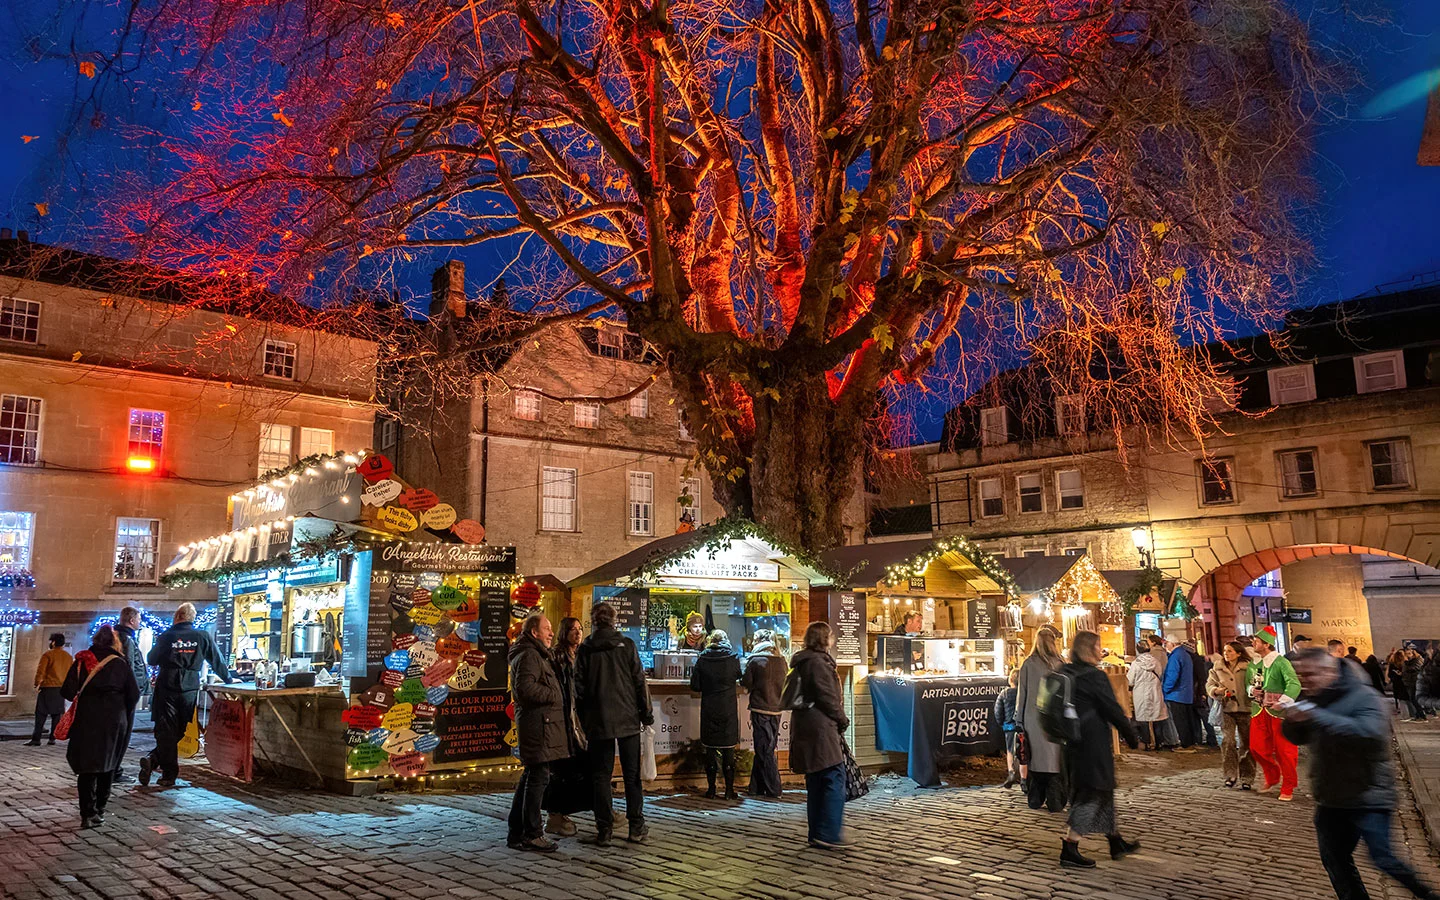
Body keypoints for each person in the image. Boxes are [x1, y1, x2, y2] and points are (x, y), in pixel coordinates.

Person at [1283, 648, 1438, 900]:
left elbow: (1369, 733)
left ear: (1329, 670)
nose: (1305, 681)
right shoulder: (1313, 697)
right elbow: (1296, 737)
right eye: (1301, 676)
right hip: (1330, 796)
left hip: (1368, 794)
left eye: (1310, 675)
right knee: (1335, 860)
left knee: (1383, 857)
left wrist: (1316, 716)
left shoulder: (1364, 695)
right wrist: (1293, 720)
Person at [1058, 630, 1141, 869]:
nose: (1101, 650)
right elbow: (1111, 709)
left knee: (1103, 791)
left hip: (1072, 743)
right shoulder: (1093, 676)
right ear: (1089, 649)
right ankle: (1070, 847)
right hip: (1091, 744)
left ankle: (1115, 841)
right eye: (1098, 646)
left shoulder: (1065, 672)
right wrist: (1131, 735)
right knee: (1091, 793)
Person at [575, 601, 653, 846]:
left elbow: (578, 688)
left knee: (600, 775)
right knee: (631, 776)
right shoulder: (627, 646)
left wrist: (584, 718)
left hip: (598, 720)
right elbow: (639, 682)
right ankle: (636, 826)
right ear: (614, 620)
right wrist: (646, 713)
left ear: (593, 620)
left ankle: (604, 829)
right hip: (628, 717)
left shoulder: (586, 648)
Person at [139, 603, 230, 788]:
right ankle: (158, 764)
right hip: (189, 687)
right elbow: (216, 659)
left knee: (166, 730)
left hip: (167, 686)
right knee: (180, 729)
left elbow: (151, 659)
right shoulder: (202, 636)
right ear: (192, 618)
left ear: (177, 616)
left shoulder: (166, 636)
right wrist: (228, 678)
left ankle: (162, 768)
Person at [61, 625, 140, 828]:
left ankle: (86, 813)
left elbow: (68, 691)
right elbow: (134, 694)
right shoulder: (120, 663)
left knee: (87, 768)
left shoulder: (82, 660)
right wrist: (122, 709)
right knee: (108, 765)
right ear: (115, 642)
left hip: (87, 717)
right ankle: (100, 810)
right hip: (114, 719)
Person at [784, 621, 851, 849]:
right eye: (831, 635)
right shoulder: (818, 663)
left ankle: (817, 832)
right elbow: (827, 697)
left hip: (807, 725)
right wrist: (842, 719)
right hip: (820, 727)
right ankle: (829, 833)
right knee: (834, 776)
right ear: (824, 639)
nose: (833, 639)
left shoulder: (804, 661)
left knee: (816, 780)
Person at [506, 613, 566, 853]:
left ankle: (517, 832)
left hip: (540, 725)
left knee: (531, 778)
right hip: (538, 726)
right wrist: (555, 695)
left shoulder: (535, 653)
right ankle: (532, 833)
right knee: (537, 779)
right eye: (547, 628)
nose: (551, 633)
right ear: (534, 633)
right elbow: (525, 689)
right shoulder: (530, 654)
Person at [543, 616, 588, 839]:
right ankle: (556, 815)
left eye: (579, 629)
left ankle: (566, 812)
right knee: (560, 768)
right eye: (572, 629)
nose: (577, 633)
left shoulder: (581, 655)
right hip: (563, 718)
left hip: (577, 718)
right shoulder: (557, 655)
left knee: (577, 766)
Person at [1249, 625, 1301, 801]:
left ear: (1266, 644)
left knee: (1284, 751)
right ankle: (1272, 776)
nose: (1253, 643)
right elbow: (1249, 683)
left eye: (1256, 641)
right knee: (1257, 748)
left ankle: (1288, 785)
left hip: (1277, 712)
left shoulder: (1281, 662)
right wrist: (1251, 689)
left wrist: (1283, 701)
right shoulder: (1255, 663)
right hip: (1259, 710)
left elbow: (1294, 683)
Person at [1015, 625, 1065, 811]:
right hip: (1055, 719)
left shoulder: (1028, 664)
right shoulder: (1061, 664)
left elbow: (1023, 694)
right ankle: (1055, 800)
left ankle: (1035, 798)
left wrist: (1019, 720)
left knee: (1035, 759)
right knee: (1054, 760)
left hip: (1033, 718)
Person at [690, 629, 742, 800]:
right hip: (728, 708)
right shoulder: (733, 657)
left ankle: (711, 790)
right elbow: (740, 677)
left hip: (709, 708)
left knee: (710, 749)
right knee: (728, 750)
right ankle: (728, 790)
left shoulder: (703, 658)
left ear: (711, 640)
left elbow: (695, 685)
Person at [742, 629, 786, 798]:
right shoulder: (781, 660)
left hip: (760, 707)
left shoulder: (754, 660)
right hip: (777, 708)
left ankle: (775, 788)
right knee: (767, 746)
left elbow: (747, 683)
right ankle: (755, 787)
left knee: (764, 749)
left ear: (758, 641)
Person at [1207, 640, 1255, 789]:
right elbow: (1210, 683)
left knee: (1247, 744)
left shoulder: (1249, 667)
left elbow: (1256, 683)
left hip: (1245, 708)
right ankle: (1230, 775)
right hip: (1226, 708)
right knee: (1228, 741)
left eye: (1230, 651)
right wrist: (1216, 690)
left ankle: (1247, 777)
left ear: (1239, 653)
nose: (1226, 654)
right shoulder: (1218, 666)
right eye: (1225, 651)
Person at [113, 608, 147, 784]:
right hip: (125, 696)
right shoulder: (125, 639)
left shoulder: (119, 636)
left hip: (120, 695)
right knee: (122, 735)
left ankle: (112, 769)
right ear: (132, 620)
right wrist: (133, 693)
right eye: (139, 619)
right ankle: (114, 771)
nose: (140, 622)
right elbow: (129, 668)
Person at [27, 633, 72, 746]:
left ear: (53, 642)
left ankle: (36, 738)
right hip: (61, 688)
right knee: (56, 714)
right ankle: (52, 737)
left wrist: (36, 683)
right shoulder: (68, 656)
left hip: (48, 687)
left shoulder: (48, 655)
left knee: (41, 713)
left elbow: (41, 670)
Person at [1126, 642, 1169, 751]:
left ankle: (1146, 743)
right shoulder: (1156, 662)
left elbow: (1130, 680)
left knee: (1143, 719)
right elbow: (1160, 674)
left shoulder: (1136, 663)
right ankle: (1159, 742)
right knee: (1157, 718)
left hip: (1141, 693)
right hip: (1155, 692)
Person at [1162, 637, 1196, 749]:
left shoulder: (1175, 656)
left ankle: (1185, 744)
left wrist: (1165, 689)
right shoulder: (1185, 654)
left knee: (1180, 720)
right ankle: (1190, 742)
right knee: (1187, 719)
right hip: (1186, 693)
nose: (1166, 646)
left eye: (1167, 643)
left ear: (1172, 644)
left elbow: (1172, 675)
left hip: (1176, 694)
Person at [993, 669, 1021, 788]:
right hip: (1022, 726)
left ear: (1010, 680)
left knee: (1010, 750)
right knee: (1023, 750)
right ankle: (1023, 774)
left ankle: (1011, 772)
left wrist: (1002, 723)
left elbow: (998, 711)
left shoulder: (1004, 693)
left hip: (1009, 727)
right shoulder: (1023, 693)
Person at [1403, 650, 1428, 722]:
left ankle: (1423, 716)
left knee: (1414, 699)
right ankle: (1418, 715)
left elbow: (1414, 668)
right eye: (1406, 654)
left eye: (1409, 654)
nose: (1407, 655)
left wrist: (1406, 662)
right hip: (1410, 682)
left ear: (1413, 654)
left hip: (1415, 682)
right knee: (1413, 699)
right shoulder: (1411, 661)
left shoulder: (1418, 660)